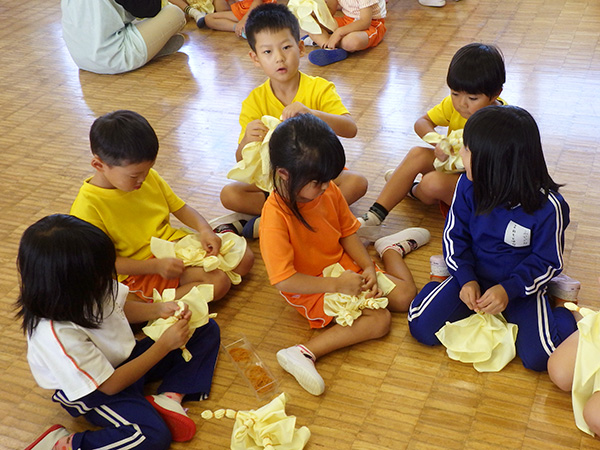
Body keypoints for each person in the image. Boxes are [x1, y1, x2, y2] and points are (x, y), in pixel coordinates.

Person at [260, 114, 430, 395]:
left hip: (343, 269)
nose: (327, 187)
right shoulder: (275, 217)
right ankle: (301, 352)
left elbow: (347, 232)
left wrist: (367, 267)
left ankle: (389, 250)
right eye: (318, 182)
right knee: (379, 320)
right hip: (311, 286)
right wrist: (336, 285)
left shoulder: (326, 190)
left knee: (404, 297)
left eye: (329, 179)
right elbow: (284, 280)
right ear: (284, 174)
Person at [19, 214, 221, 450]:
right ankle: (63, 445)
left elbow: (119, 308)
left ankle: (168, 398)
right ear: (69, 283)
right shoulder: (56, 334)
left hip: (127, 360)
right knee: (151, 436)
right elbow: (109, 386)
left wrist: (159, 310)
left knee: (203, 327)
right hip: (94, 391)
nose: (107, 278)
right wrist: (164, 346)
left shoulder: (91, 283)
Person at [407, 105, 577, 372]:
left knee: (542, 357)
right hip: (474, 276)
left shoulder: (549, 206)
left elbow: (548, 261)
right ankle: (440, 280)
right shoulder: (466, 185)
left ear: (495, 163)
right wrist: (465, 278)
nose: (460, 155)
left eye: (467, 150)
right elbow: (454, 236)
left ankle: (562, 302)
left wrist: (508, 290)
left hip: (520, 287)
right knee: (422, 327)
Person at [70, 110, 254, 302]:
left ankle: (180, 290)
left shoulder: (147, 177)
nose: (143, 179)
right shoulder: (87, 207)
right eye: (134, 175)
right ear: (99, 165)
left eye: (147, 170)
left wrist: (205, 230)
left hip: (173, 247)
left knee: (244, 258)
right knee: (218, 283)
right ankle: (150, 307)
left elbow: (180, 208)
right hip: (140, 269)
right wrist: (155, 267)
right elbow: (104, 265)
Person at [220, 3, 367, 239]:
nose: (279, 58)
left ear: (300, 48)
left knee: (357, 183)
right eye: (267, 52)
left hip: (316, 174)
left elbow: (350, 129)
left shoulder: (318, 88)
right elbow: (241, 160)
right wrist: (248, 138)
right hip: (278, 180)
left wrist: (313, 113)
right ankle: (309, 216)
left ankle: (275, 219)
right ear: (255, 58)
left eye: (286, 47)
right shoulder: (254, 101)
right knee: (229, 194)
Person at [358, 43, 506, 232]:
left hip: (480, 186)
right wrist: (438, 141)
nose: (462, 104)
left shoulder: (501, 121)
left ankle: (411, 189)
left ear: (495, 94)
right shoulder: (453, 105)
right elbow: (422, 122)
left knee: (431, 184)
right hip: (453, 167)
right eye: (455, 93)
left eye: (473, 98)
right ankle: (374, 215)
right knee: (417, 154)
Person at [61, 0, 194, 75]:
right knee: (175, 13)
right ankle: (152, 48)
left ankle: (153, 45)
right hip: (110, 56)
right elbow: (149, 9)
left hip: (79, 55)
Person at [302, 0, 387, 66]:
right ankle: (330, 49)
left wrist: (339, 33)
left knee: (351, 41)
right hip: (347, 20)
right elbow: (330, 11)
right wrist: (315, 13)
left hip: (372, 24)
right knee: (309, 23)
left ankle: (323, 41)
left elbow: (365, 22)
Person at [203, 0, 277, 36]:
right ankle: (241, 29)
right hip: (244, 9)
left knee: (209, 19)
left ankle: (241, 28)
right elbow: (221, 8)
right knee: (209, 18)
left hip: (253, 10)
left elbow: (257, 2)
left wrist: (244, 20)